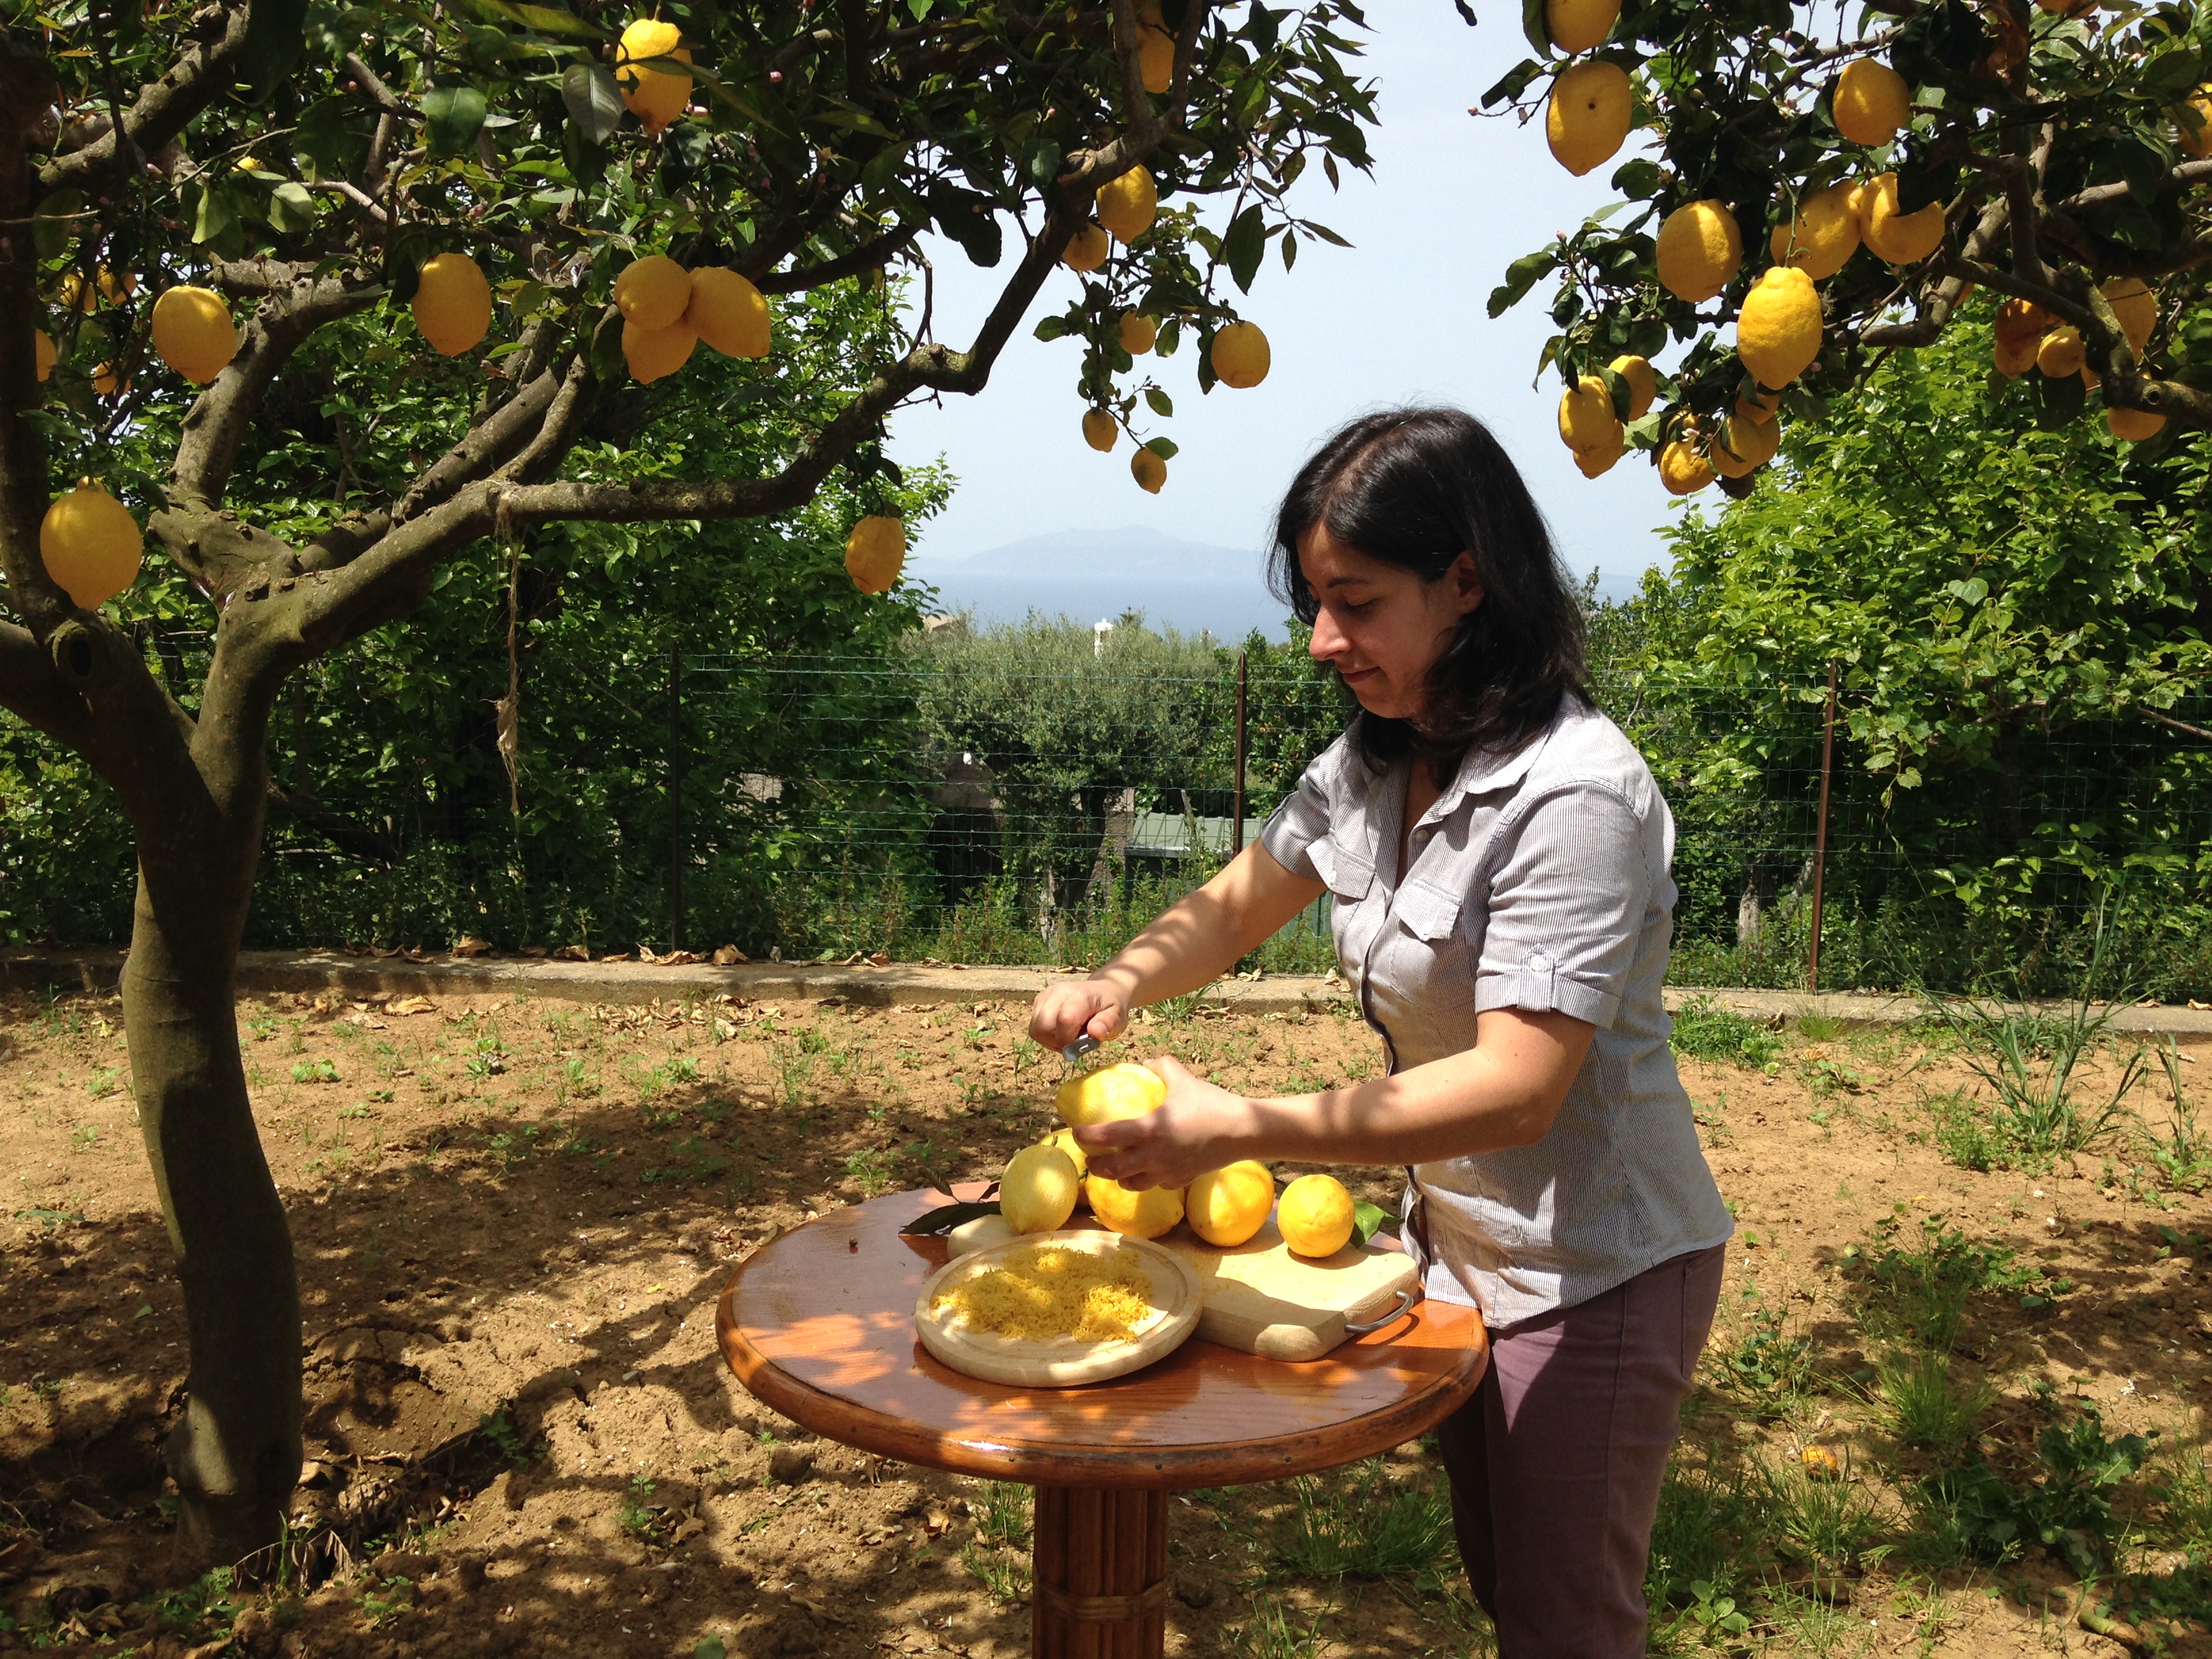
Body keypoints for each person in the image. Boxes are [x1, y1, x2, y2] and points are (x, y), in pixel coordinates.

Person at [1027, 407, 1734, 1658]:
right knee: (1506, 1588)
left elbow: (1520, 1090)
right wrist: (1119, 980)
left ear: (1466, 581)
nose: (1320, 639)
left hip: (1595, 1271)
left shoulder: (1579, 795)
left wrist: (1233, 1130)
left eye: (1355, 601)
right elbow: (1242, 899)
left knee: (1567, 1625)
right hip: (1456, 1241)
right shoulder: (1377, 760)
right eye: (1314, 599)